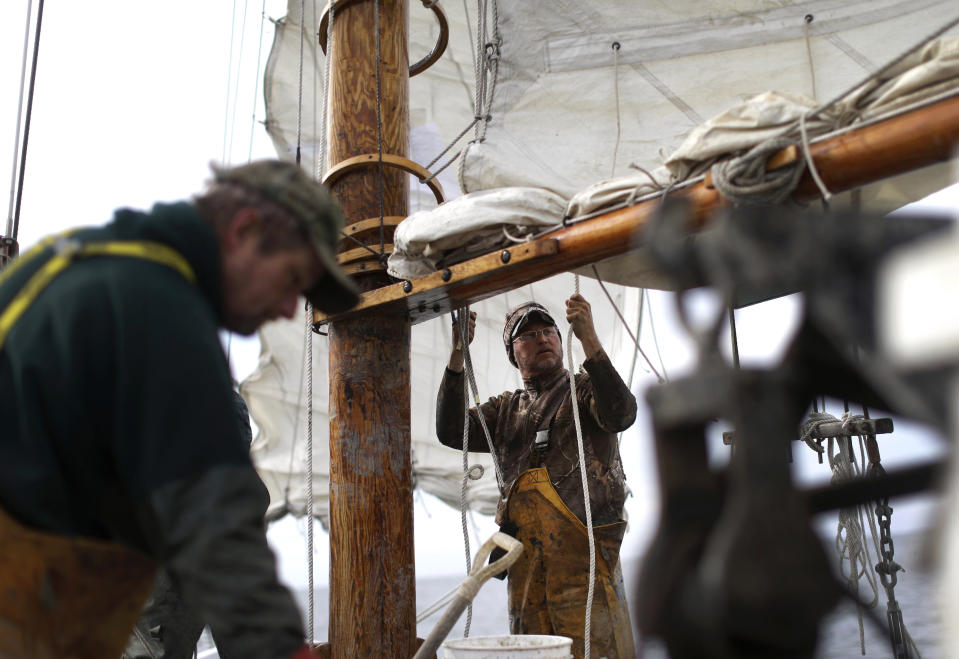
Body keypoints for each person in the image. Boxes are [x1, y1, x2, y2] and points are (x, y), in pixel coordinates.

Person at [0, 159, 359, 659]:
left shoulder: (76, 264)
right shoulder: (155, 306)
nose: (286, 311)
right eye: (292, 278)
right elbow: (213, 521)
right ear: (245, 230)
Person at [435, 295, 638, 659]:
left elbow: (621, 414)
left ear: (561, 340)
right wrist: (456, 356)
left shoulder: (585, 392)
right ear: (513, 354)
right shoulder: (504, 410)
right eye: (527, 335)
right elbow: (452, 430)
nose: (542, 338)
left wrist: (589, 338)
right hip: (525, 569)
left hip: (587, 566)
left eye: (548, 331)